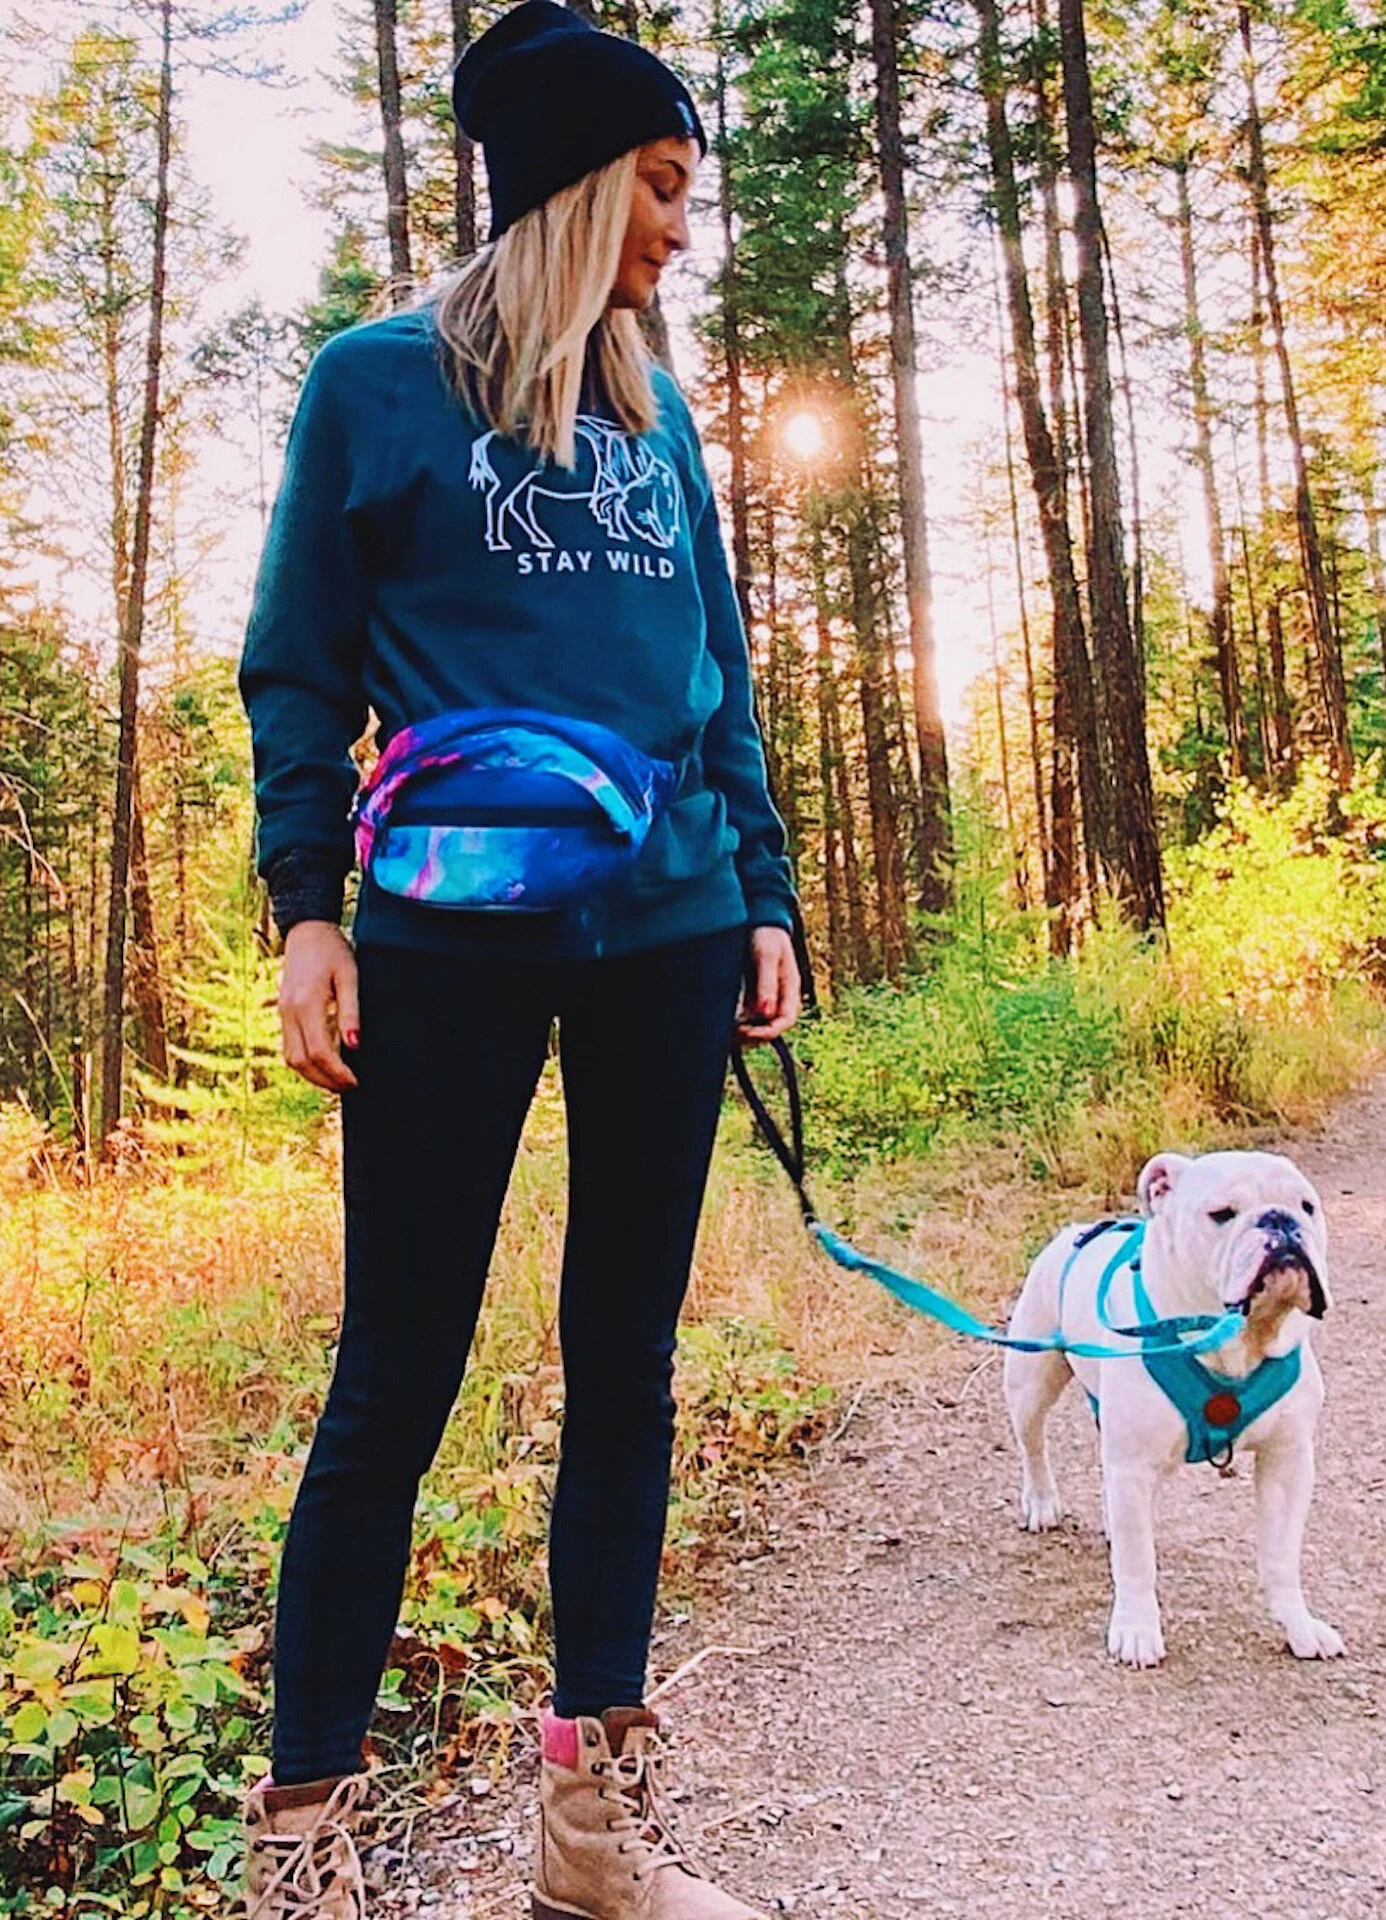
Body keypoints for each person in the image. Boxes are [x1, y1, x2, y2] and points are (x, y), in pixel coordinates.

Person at [235, 7, 798, 1915]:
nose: (678, 232)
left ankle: (588, 1827)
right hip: (442, 942)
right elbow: (300, 667)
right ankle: (308, 1836)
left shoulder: (659, 409)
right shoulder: (378, 386)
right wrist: (307, 904)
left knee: (623, 1359)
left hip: (667, 929)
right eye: (656, 190)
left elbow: (715, 682)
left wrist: (769, 891)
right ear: (570, 183)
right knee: (397, 1365)